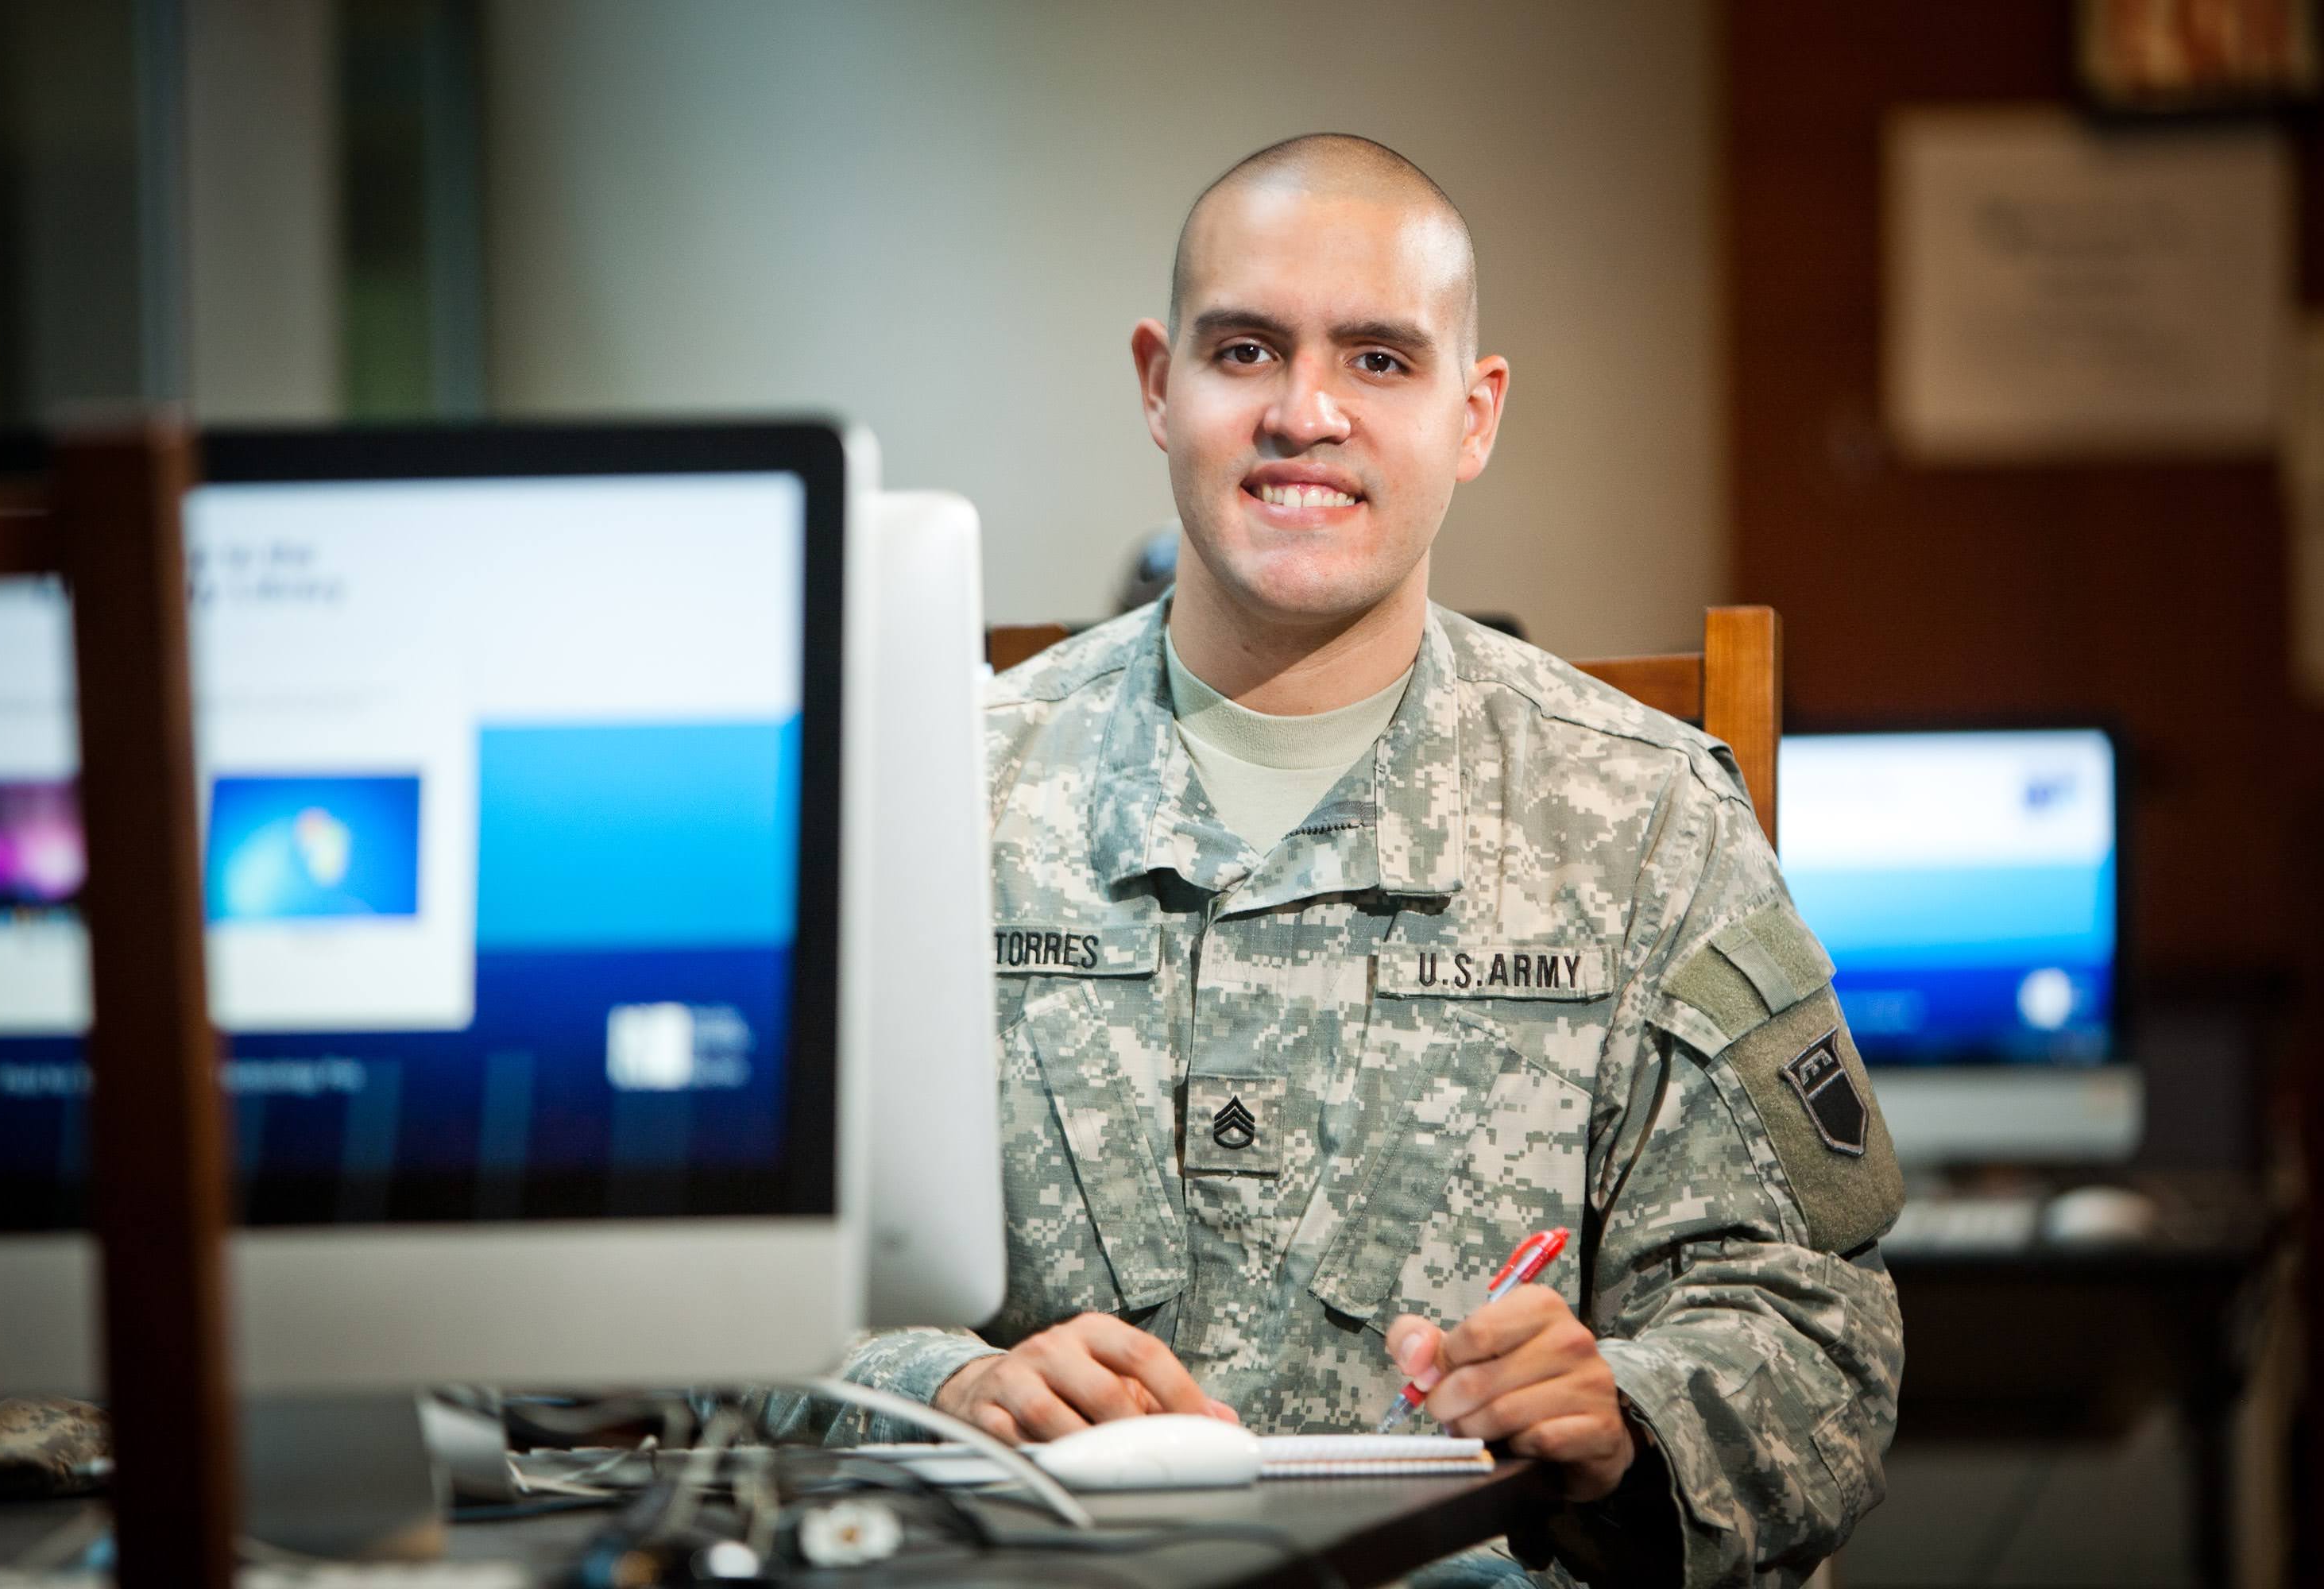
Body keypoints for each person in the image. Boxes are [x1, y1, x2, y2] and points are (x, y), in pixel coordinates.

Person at [787, 133, 1905, 1587]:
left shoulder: (1644, 821)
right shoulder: (928, 787)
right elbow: (717, 1299)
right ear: (1157, 384)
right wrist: (932, 1385)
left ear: (1474, 411)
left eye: (1380, 360)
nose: (1304, 412)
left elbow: (1817, 1335)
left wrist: (1624, 1418)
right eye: (1245, 349)